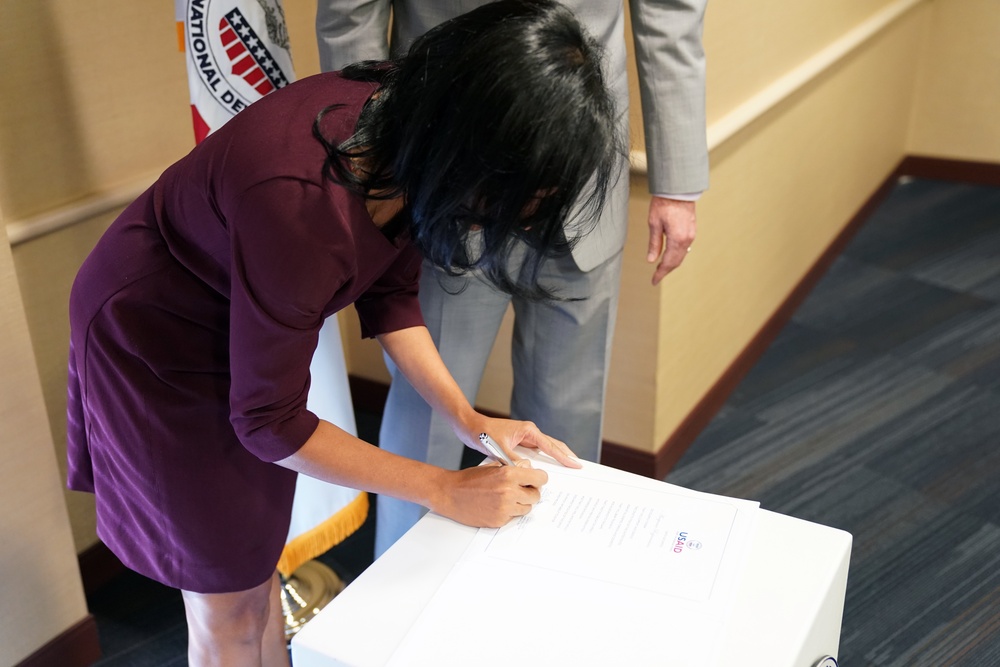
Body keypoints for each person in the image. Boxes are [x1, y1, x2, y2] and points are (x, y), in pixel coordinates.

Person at [65, 2, 624, 665]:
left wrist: (471, 420)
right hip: (159, 344)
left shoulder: (416, 135)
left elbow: (391, 299)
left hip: (244, 329)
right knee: (226, 606)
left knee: (254, 563)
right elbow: (269, 422)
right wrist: (443, 486)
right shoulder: (302, 201)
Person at [317, 0, 710, 556]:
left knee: (569, 415)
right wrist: (379, 153)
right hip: (452, 169)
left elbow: (671, 13)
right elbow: (349, 12)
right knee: (430, 407)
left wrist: (677, 182)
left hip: (583, 177)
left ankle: (552, 574)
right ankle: (393, 592)